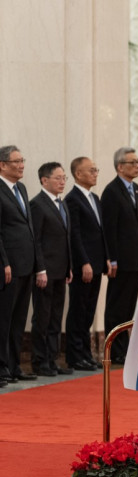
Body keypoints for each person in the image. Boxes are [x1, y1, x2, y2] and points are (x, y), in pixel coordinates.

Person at [65, 156, 111, 371]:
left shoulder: (95, 197)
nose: (95, 173)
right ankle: (75, 356)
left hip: (97, 263)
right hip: (83, 266)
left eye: (96, 169)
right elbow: (74, 235)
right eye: (91, 170)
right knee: (78, 310)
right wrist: (83, 262)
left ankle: (86, 353)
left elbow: (101, 233)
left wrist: (107, 259)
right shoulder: (72, 199)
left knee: (89, 311)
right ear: (78, 174)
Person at [101, 147, 138, 364]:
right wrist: (112, 258)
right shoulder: (111, 191)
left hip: (134, 259)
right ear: (120, 166)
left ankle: (125, 349)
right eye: (132, 163)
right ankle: (115, 350)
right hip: (120, 261)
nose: (137, 166)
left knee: (128, 307)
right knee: (116, 307)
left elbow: (137, 226)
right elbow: (109, 229)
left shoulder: (136, 189)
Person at [29, 162, 74, 376]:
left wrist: (69, 267)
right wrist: (40, 269)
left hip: (61, 270)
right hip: (45, 272)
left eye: (64, 177)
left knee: (56, 317)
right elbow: (35, 240)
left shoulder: (62, 204)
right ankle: (40, 361)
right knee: (43, 317)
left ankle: (53, 359)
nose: (62, 181)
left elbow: (66, 239)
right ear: (44, 180)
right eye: (58, 178)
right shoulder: (37, 204)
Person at [0, 145, 40, 385]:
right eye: (16, 161)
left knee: (18, 320)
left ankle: (14, 366)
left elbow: (28, 229)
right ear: (2, 165)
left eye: (22, 160)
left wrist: (37, 262)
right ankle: (2, 367)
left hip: (26, 265)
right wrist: (4, 262)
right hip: (8, 267)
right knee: (4, 320)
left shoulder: (21, 188)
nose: (22, 165)